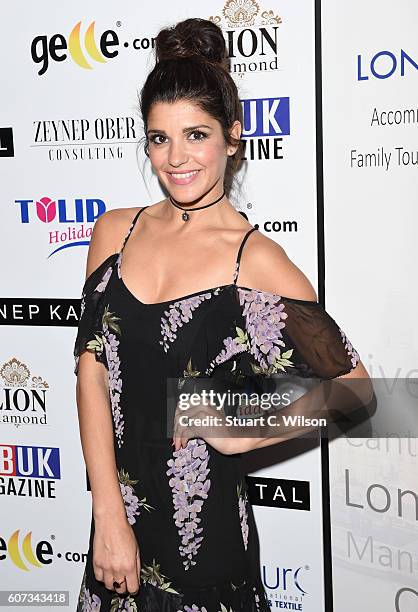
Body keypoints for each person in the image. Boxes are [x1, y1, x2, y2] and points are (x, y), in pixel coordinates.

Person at [73, 17, 370, 612]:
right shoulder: (114, 232)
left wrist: (243, 429)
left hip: (207, 559)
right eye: (159, 139)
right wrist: (107, 516)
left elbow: (357, 393)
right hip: (114, 546)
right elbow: (92, 372)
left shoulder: (253, 260)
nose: (176, 159)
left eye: (196, 135)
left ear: (233, 137)